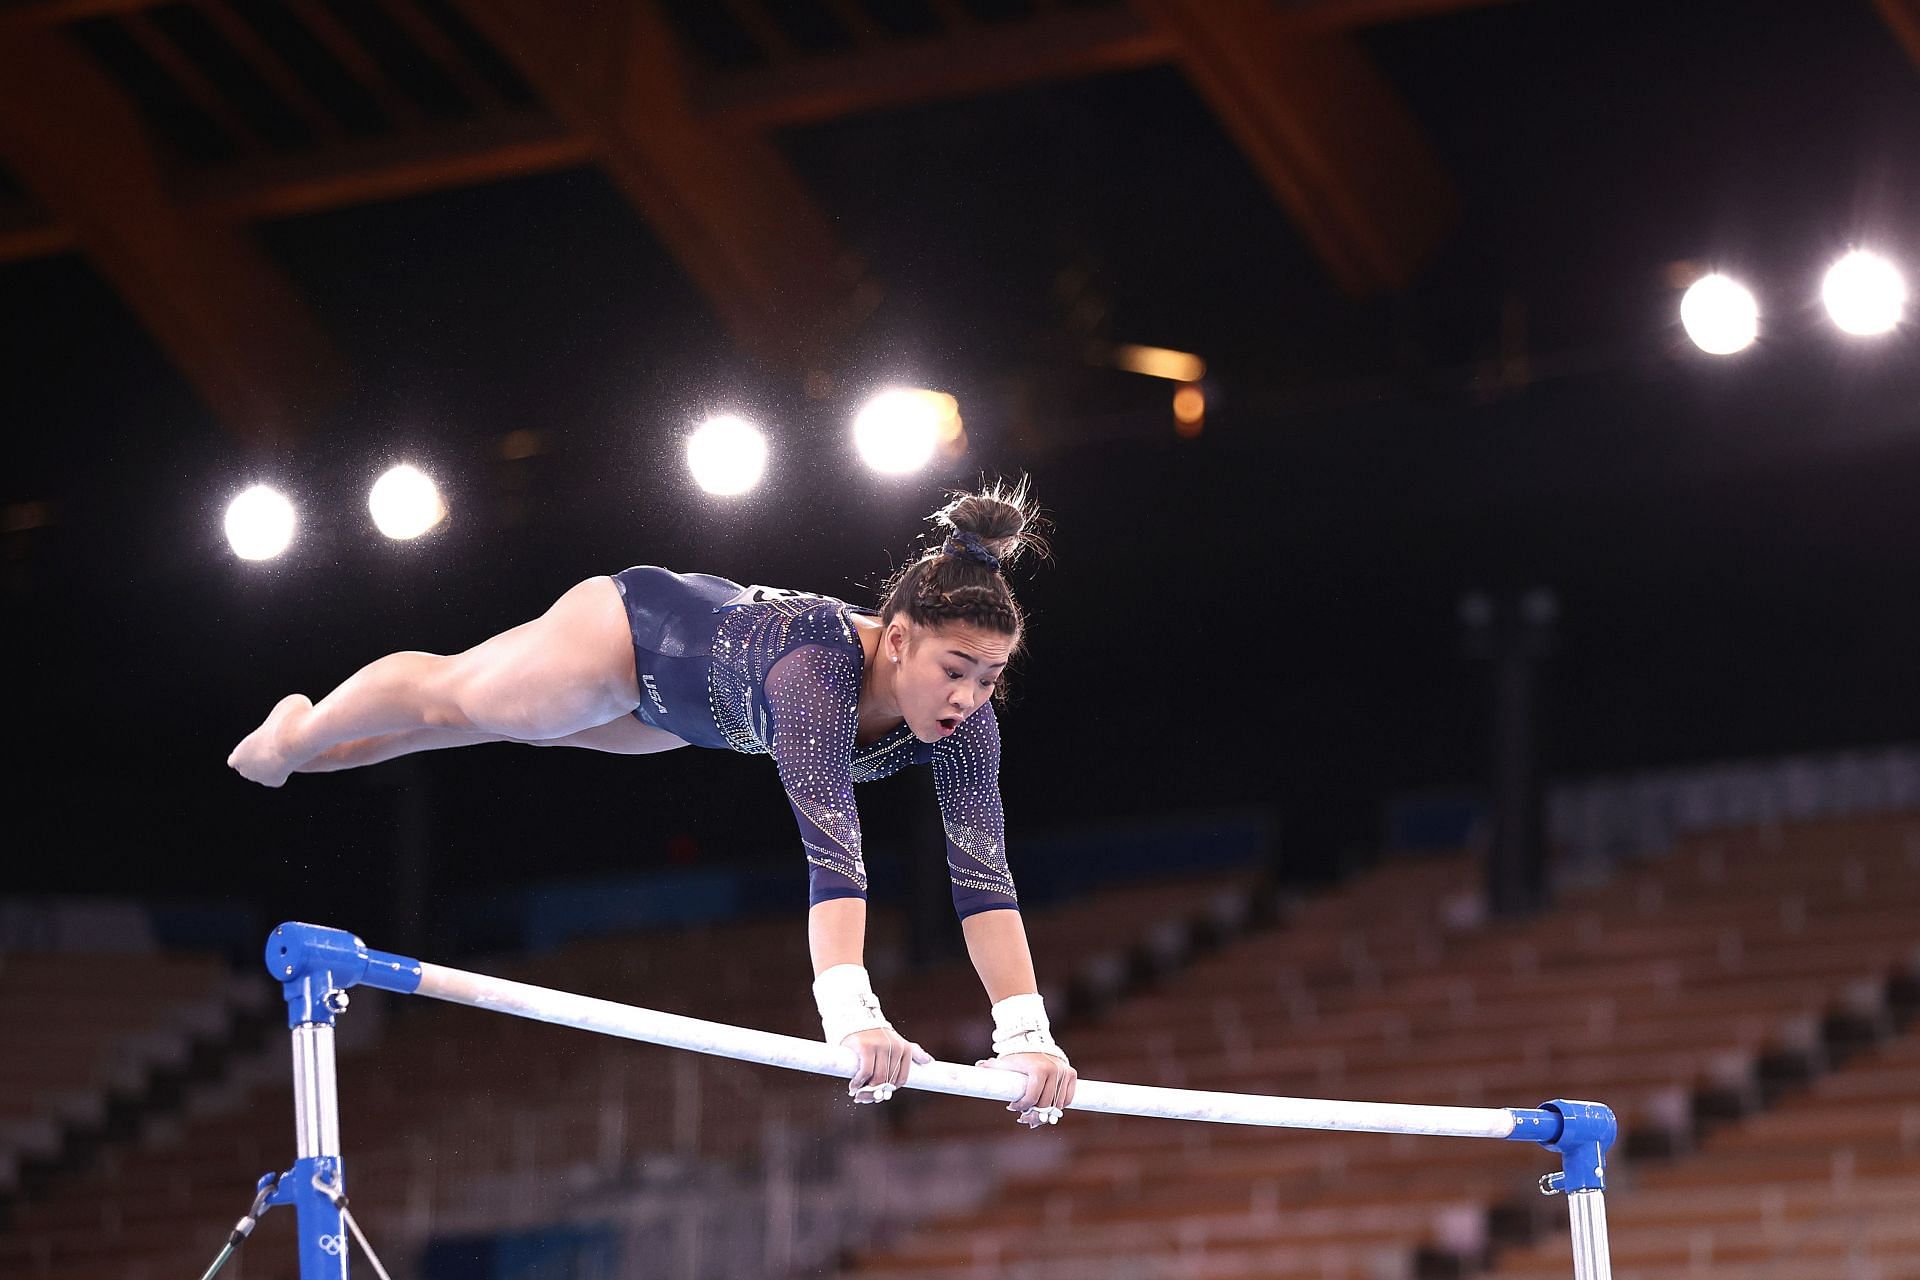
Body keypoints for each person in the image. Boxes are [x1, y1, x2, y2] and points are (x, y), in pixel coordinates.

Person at [228, 480, 1077, 1127]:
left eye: (989, 677)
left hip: (691, 717)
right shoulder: (820, 673)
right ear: (897, 639)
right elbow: (834, 852)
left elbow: (984, 879)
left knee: (469, 731)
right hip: (633, 640)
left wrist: (1027, 1034)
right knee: (456, 699)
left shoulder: (967, 728)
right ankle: (295, 735)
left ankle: (325, 752)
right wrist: (852, 1017)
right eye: (954, 669)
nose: (968, 695)